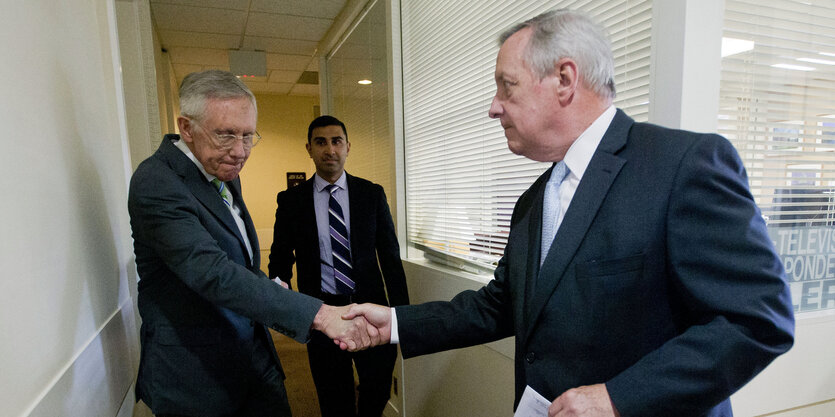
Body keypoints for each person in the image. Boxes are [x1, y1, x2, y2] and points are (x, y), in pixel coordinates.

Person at [342, 9, 795, 417]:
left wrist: (619, 398)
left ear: (564, 79)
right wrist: (396, 323)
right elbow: (498, 306)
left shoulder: (682, 166)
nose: (493, 106)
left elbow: (755, 320)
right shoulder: (532, 202)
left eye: (507, 85)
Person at [128, 70, 376, 417]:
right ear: (186, 128)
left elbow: (244, 267)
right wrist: (318, 315)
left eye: (248, 136)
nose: (240, 151)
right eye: (226, 135)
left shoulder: (222, 169)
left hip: (253, 358)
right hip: (197, 376)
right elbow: (213, 273)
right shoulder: (156, 182)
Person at [268, 115, 409, 417]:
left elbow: (390, 259)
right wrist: (285, 310)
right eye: (321, 142)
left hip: (372, 309)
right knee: (334, 398)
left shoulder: (371, 194)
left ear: (348, 147)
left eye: (336, 141)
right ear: (309, 148)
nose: (329, 149)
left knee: (377, 388)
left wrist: (403, 318)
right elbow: (280, 259)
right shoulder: (292, 200)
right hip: (321, 313)